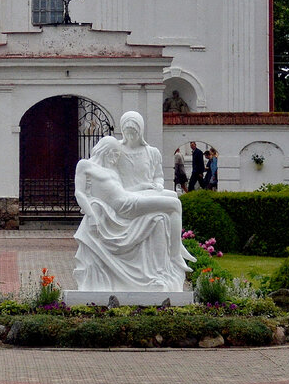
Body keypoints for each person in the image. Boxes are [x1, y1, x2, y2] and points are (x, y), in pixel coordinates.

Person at [73, 111, 197, 292]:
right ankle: (176, 253)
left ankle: (174, 254)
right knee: (174, 205)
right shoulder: (86, 165)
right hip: (125, 206)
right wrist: (92, 215)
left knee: (172, 196)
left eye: (116, 154)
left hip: (130, 197)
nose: (116, 158)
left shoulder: (112, 169)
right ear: (105, 150)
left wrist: (147, 186)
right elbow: (80, 193)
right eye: (114, 154)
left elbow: (123, 190)